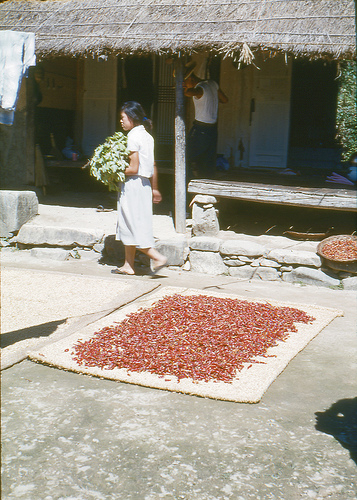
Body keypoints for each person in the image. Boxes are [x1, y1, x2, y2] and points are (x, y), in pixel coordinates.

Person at [111, 101, 167, 276]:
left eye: (123, 118)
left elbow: (133, 168)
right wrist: (155, 189)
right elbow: (153, 164)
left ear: (132, 118)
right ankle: (128, 265)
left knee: (133, 224)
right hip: (144, 185)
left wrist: (115, 172)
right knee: (131, 222)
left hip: (133, 184)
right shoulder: (147, 136)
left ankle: (157, 257)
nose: (121, 121)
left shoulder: (133, 137)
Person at [183, 65, 228, 179]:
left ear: (191, 79)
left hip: (200, 129)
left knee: (185, 156)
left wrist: (183, 88)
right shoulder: (212, 83)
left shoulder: (199, 89)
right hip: (212, 129)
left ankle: (188, 182)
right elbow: (224, 100)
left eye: (186, 82)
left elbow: (188, 93)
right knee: (207, 160)